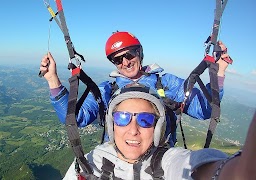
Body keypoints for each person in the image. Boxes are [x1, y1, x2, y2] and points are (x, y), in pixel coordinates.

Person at [39, 31, 231, 146]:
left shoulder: (166, 82)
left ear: (139, 53)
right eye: (117, 59)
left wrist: (219, 71)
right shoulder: (108, 89)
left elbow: (205, 109)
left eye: (129, 54)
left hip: (159, 158)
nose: (125, 62)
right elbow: (76, 118)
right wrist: (52, 79)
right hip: (117, 159)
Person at [63, 83, 256, 179]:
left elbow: (195, 166)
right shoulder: (90, 162)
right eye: (122, 118)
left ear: (158, 127)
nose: (133, 130)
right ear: (112, 125)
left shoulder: (166, 162)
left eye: (145, 120)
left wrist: (240, 170)